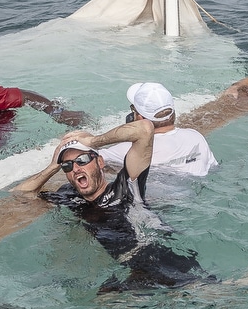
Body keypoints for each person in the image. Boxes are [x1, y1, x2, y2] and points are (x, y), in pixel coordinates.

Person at [12, 121, 216, 293]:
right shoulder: (69, 195)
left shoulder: (125, 188)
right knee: (102, 305)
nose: (76, 169)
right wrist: (53, 166)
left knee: (207, 294)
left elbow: (144, 129)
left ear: (100, 162)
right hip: (134, 271)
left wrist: (93, 141)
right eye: (68, 165)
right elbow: (21, 194)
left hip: (162, 259)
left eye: (82, 160)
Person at [99, 81, 217, 178]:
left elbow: (88, 158)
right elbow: (213, 170)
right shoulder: (196, 137)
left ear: (140, 117)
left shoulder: (127, 150)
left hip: (153, 204)